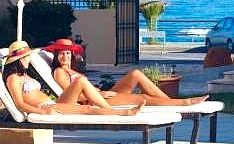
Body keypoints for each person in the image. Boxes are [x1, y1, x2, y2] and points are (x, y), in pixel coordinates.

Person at [44, 38, 209, 107]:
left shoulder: (72, 70)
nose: (65, 56)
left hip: (103, 94)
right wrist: (99, 96)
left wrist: (103, 92)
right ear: (57, 56)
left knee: (136, 74)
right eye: (61, 53)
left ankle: (170, 104)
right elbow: (72, 96)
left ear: (72, 55)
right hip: (94, 101)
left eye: (67, 53)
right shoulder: (59, 72)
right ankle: (182, 104)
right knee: (143, 98)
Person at [2, 41, 144, 116]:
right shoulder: (13, 78)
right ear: (19, 60)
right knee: (86, 108)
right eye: (26, 57)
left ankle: (114, 111)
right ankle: (123, 113)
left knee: (83, 93)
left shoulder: (23, 75)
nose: (29, 59)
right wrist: (43, 111)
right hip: (46, 107)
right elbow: (19, 104)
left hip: (53, 103)